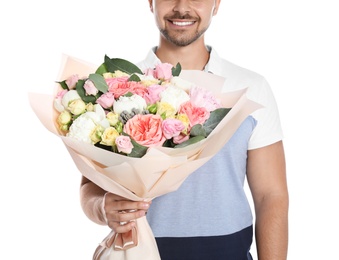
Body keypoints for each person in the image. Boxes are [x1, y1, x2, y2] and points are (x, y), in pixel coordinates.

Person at [80, 0, 289, 259]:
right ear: (150, 2)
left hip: (229, 252)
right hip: (141, 250)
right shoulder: (118, 89)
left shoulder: (251, 88)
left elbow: (271, 196)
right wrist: (102, 207)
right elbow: (90, 187)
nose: (182, 7)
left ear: (217, 4)